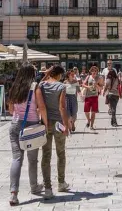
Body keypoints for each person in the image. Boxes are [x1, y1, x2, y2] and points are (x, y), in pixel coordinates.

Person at [7, 64, 45, 206]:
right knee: (32, 159)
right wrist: (45, 123)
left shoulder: (14, 87)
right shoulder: (35, 87)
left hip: (15, 125)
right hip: (32, 126)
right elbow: (41, 107)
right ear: (31, 75)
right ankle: (34, 186)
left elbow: (11, 110)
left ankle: (13, 194)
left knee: (17, 158)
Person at [39, 66, 70, 199]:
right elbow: (62, 107)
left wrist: (47, 74)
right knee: (60, 153)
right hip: (58, 123)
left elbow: (40, 82)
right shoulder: (61, 86)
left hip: (45, 122)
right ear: (59, 75)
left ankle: (47, 188)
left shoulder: (42, 85)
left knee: (46, 154)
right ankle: (61, 183)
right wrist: (66, 124)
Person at [82, 66, 100, 130]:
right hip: (88, 96)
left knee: (93, 112)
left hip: (95, 96)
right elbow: (83, 84)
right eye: (93, 71)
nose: (94, 72)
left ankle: (91, 125)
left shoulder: (98, 78)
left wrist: (97, 85)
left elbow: (101, 88)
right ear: (91, 71)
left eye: (95, 71)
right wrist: (88, 87)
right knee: (86, 111)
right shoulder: (88, 77)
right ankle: (89, 120)